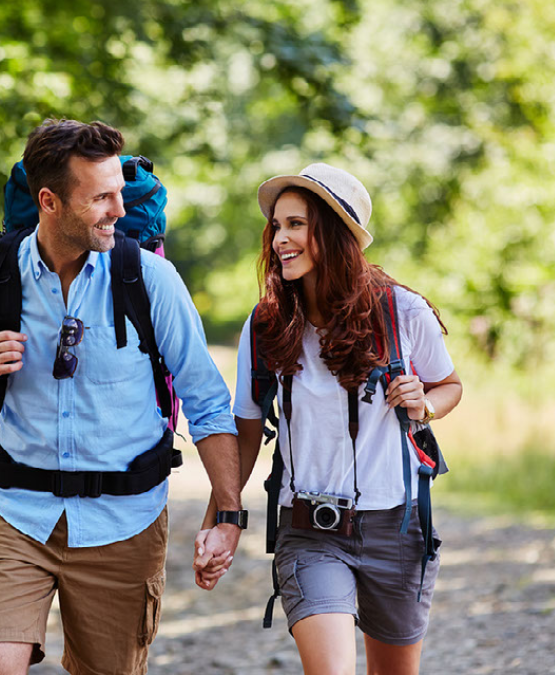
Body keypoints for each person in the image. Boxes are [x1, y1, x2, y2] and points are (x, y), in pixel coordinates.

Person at [0, 118, 244, 675]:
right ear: (49, 201)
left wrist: (227, 512)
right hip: (16, 514)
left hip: (124, 523)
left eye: (120, 194)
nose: (118, 211)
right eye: (101, 197)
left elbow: (205, 400)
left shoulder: (150, 280)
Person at [194, 163, 463, 675]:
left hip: (398, 527)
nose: (279, 239)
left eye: (296, 224)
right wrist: (222, 520)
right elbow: (246, 429)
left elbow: (450, 386)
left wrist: (424, 403)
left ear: (334, 233)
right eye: (277, 226)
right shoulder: (268, 323)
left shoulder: (402, 311)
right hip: (309, 528)